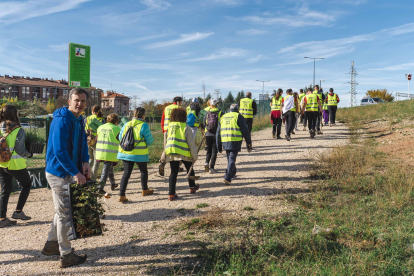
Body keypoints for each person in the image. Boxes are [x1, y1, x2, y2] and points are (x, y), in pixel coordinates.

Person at [42, 88, 90, 268]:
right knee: (65, 213)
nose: (80, 104)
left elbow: (83, 142)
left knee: (62, 210)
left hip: (69, 171)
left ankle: (51, 244)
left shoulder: (79, 120)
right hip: (59, 173)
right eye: (76, 100)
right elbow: (59, 152)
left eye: (83, 101)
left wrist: (85, 161)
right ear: (69, 101)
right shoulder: (62, 121)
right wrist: (75, 172)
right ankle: (66, 254)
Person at [0, 105, 33, 228]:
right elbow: (20, 150)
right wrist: (29, 154)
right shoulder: (18, 130)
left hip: (1, 163)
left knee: (5, 191)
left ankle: (2, 219)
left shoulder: (0, 127)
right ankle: (18, 212)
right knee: (27, 185)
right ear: (14, 114)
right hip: (14, 164)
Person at [117, 107, 154, 203]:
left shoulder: (126, 124)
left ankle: (122, 195)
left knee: (126, 173)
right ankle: (145, 190)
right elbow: (150, 141)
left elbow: (121, 137)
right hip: (139, 154)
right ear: (143, 115)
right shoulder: (144, 125)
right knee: (143, 171)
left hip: (125, 152)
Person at [164, 108, 198, 201]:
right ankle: (192, 187)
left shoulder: (169, 126)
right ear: (184, 116)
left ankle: (171, 194)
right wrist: (194, 156)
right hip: (184, 152)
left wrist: (164, 154)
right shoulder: (186, 127)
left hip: (171, 151)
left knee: (173, 172)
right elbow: (191, 143)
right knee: (190, 169)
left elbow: (165, 140)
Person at [217, 104, 252, 185]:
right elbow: (245, 131)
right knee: (232, 159)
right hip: (235, 140)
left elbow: (218, 132)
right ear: (237, 109)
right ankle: (227, 177)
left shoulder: (223, 116)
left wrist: (218, 144)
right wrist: (249, 143)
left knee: (230, 158)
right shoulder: (238, 116)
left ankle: (232, 173)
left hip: (225, 140)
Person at [95, 113, 121, 194]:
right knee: (105, 171)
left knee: (109, 169)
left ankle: (113, 184)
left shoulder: (100, 127)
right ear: (116, 120)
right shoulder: (117, 129)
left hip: (100, 152)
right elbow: (121, 140)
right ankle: (100, 188)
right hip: (110, 153)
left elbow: (96, 139)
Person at [159, 96, 182, 175]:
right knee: (178, 147)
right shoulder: (180, 108)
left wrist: (163, 130)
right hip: (176, 131)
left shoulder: (167, 108)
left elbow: (162, 119)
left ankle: (162, 162)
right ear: (180, 101)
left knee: (167, 148)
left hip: (166, 130)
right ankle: (177, 165)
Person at [85, 105, 105, 181]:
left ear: (92, 111)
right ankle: (93, 178)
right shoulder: (101, 120)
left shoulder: (87, 118)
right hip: (97, 141)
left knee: (90, 159)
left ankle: (85, 175)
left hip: (88, 140)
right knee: (97, 160)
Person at [203, 99, 222, 174]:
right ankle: (211, 168)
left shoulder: (207, 113)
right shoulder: (220, 113)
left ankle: (206, 162)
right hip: (216, 134)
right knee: (214, 151)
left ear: (211, 105)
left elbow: (204, 123)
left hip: (208, 134)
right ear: (217, 105)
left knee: (209, 150)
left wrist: (206, 130)